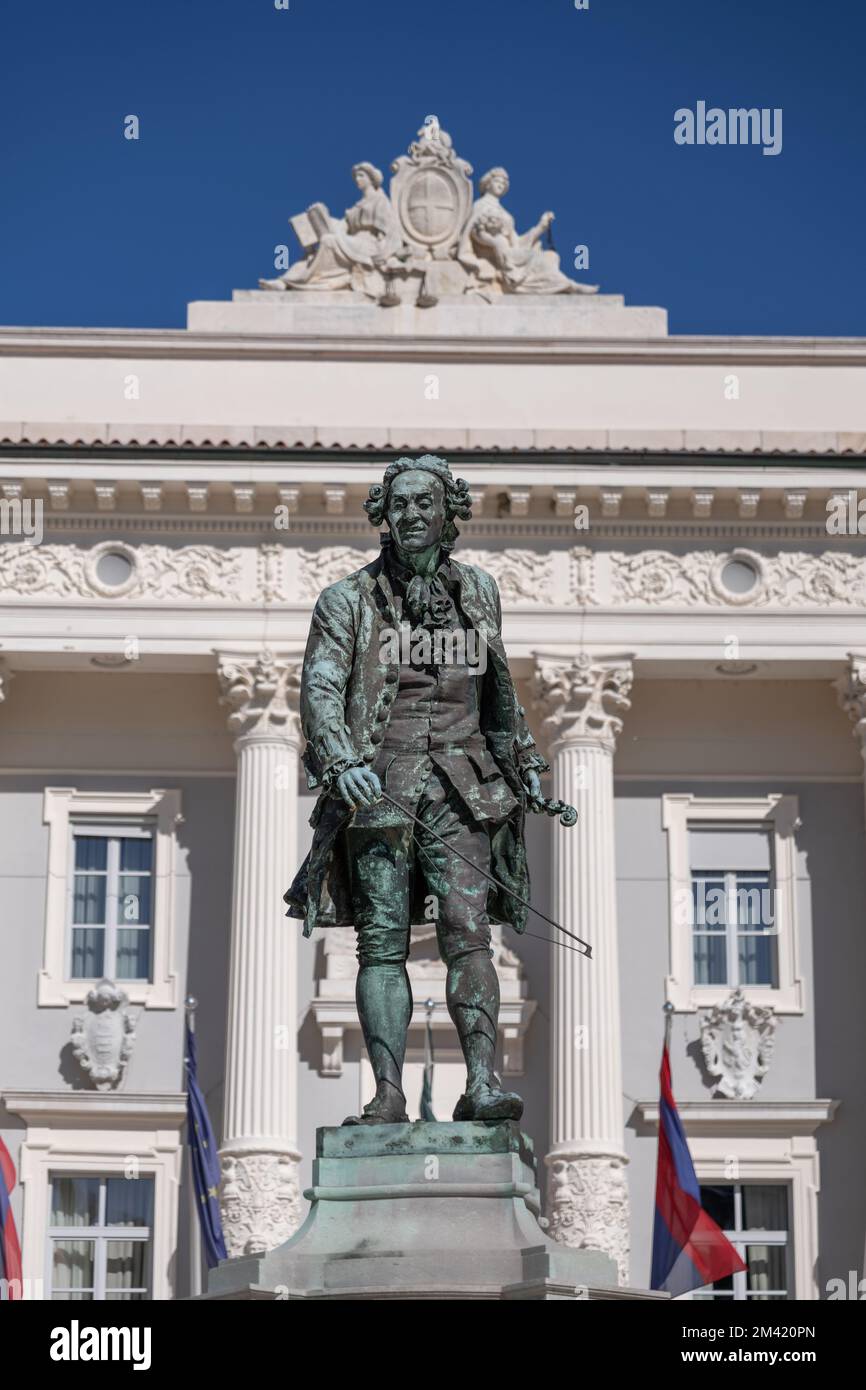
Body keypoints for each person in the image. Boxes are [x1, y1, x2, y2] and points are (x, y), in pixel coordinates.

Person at [285, 454, 548, 1124]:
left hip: (465, 784)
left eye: (423, 504)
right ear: (382, 515)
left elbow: (499, 691)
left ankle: (483, 1083)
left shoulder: (480, 592)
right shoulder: (346, 599)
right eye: (397, 504)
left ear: (449, 513)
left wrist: (528, 765)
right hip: (381, 784)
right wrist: (342, 760)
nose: (409, 516)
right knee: (381, 940)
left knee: (467, 932)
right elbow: (319, 686)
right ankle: (388, 1093)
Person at [260, 162, 401, 292]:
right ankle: (284, 282)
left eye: (361, 175)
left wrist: (381, 255)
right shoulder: (356, 207)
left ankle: (298, 281)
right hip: (352, 242)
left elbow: (388, 233)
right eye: (356, 176)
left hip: (369, 246)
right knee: (313, 253)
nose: (357, 179)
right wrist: (320, 218)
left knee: (328, 241)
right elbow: (340, 227)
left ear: (371, 178)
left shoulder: (380, 200)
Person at [457, 166, 597, 295]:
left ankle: (565, 285)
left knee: (550, 256)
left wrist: (541, 227)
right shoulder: (480, 205)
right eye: (497, 181)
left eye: (504, 183)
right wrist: (493, 242)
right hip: (501, 258)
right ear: (488, 183)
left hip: (510, 254)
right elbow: (473, 233)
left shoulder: (504, 212)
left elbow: (517, 242)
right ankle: (569, 286)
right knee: (538, 259)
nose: (501, 185)